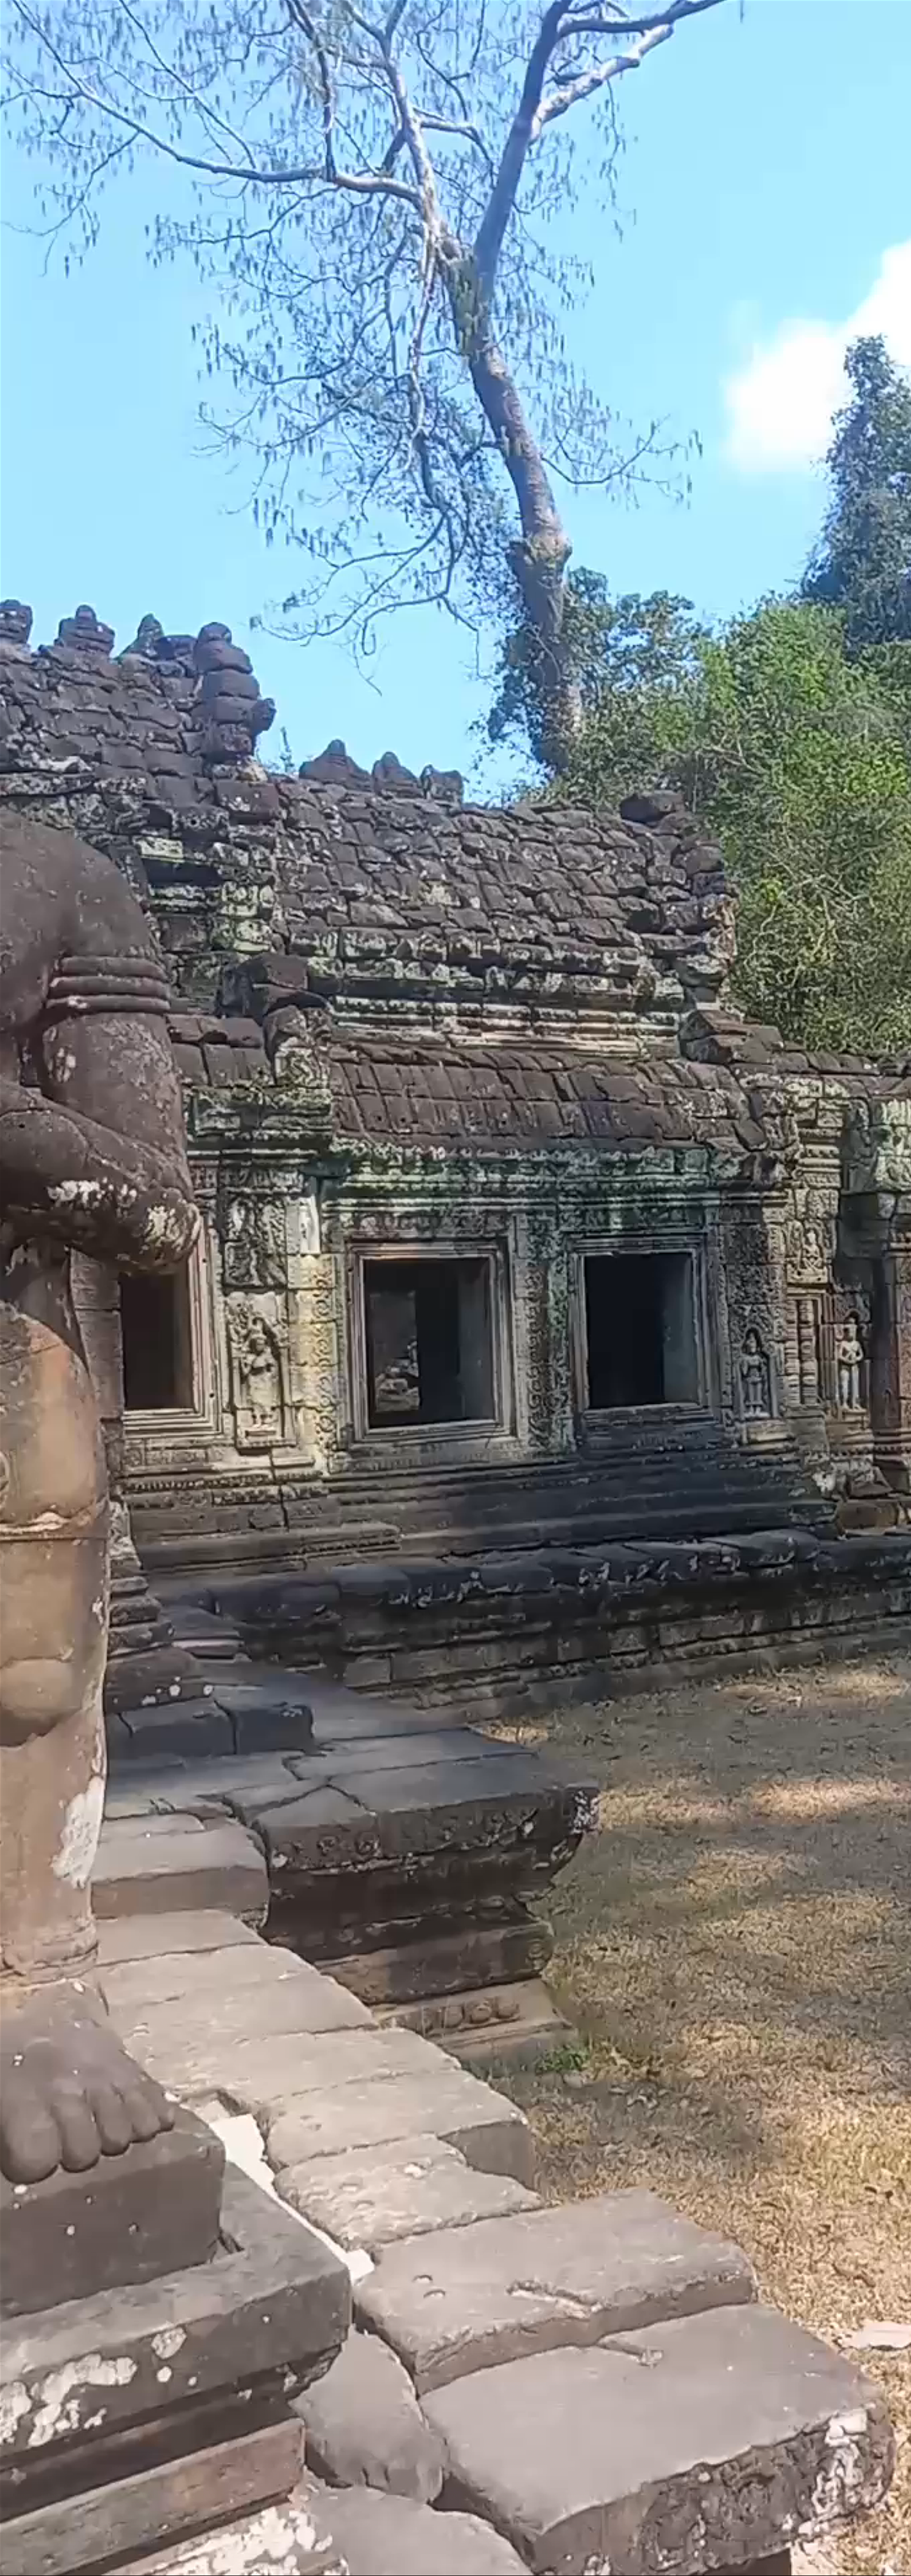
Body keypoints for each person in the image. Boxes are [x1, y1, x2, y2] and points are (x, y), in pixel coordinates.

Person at [0, 813, 199, 2184]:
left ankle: (34, 1984)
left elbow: (162, 1213)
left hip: (8, 1375)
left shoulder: (55, 882)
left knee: (27, 1677)